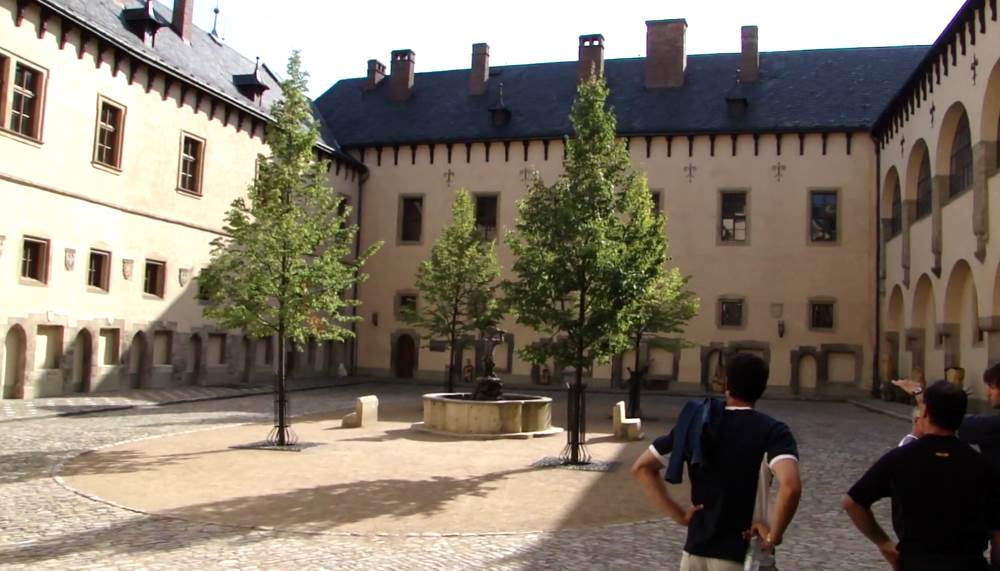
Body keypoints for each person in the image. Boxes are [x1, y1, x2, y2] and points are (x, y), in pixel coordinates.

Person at [631, 353, 802, 571]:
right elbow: (791, 486)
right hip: (739, 554)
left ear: (727, 384)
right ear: (762, 387)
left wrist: (680, 515)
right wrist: (773, 537)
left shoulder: (697, 422)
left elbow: (642, 468)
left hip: (694, 553)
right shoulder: (772, 431)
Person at [843, 381, 1000, 570]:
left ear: (925, 413)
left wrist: (884, 543)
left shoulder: (901, 458)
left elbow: (853, 502)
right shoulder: (981, 465)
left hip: (916, 562)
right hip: (968, 563)